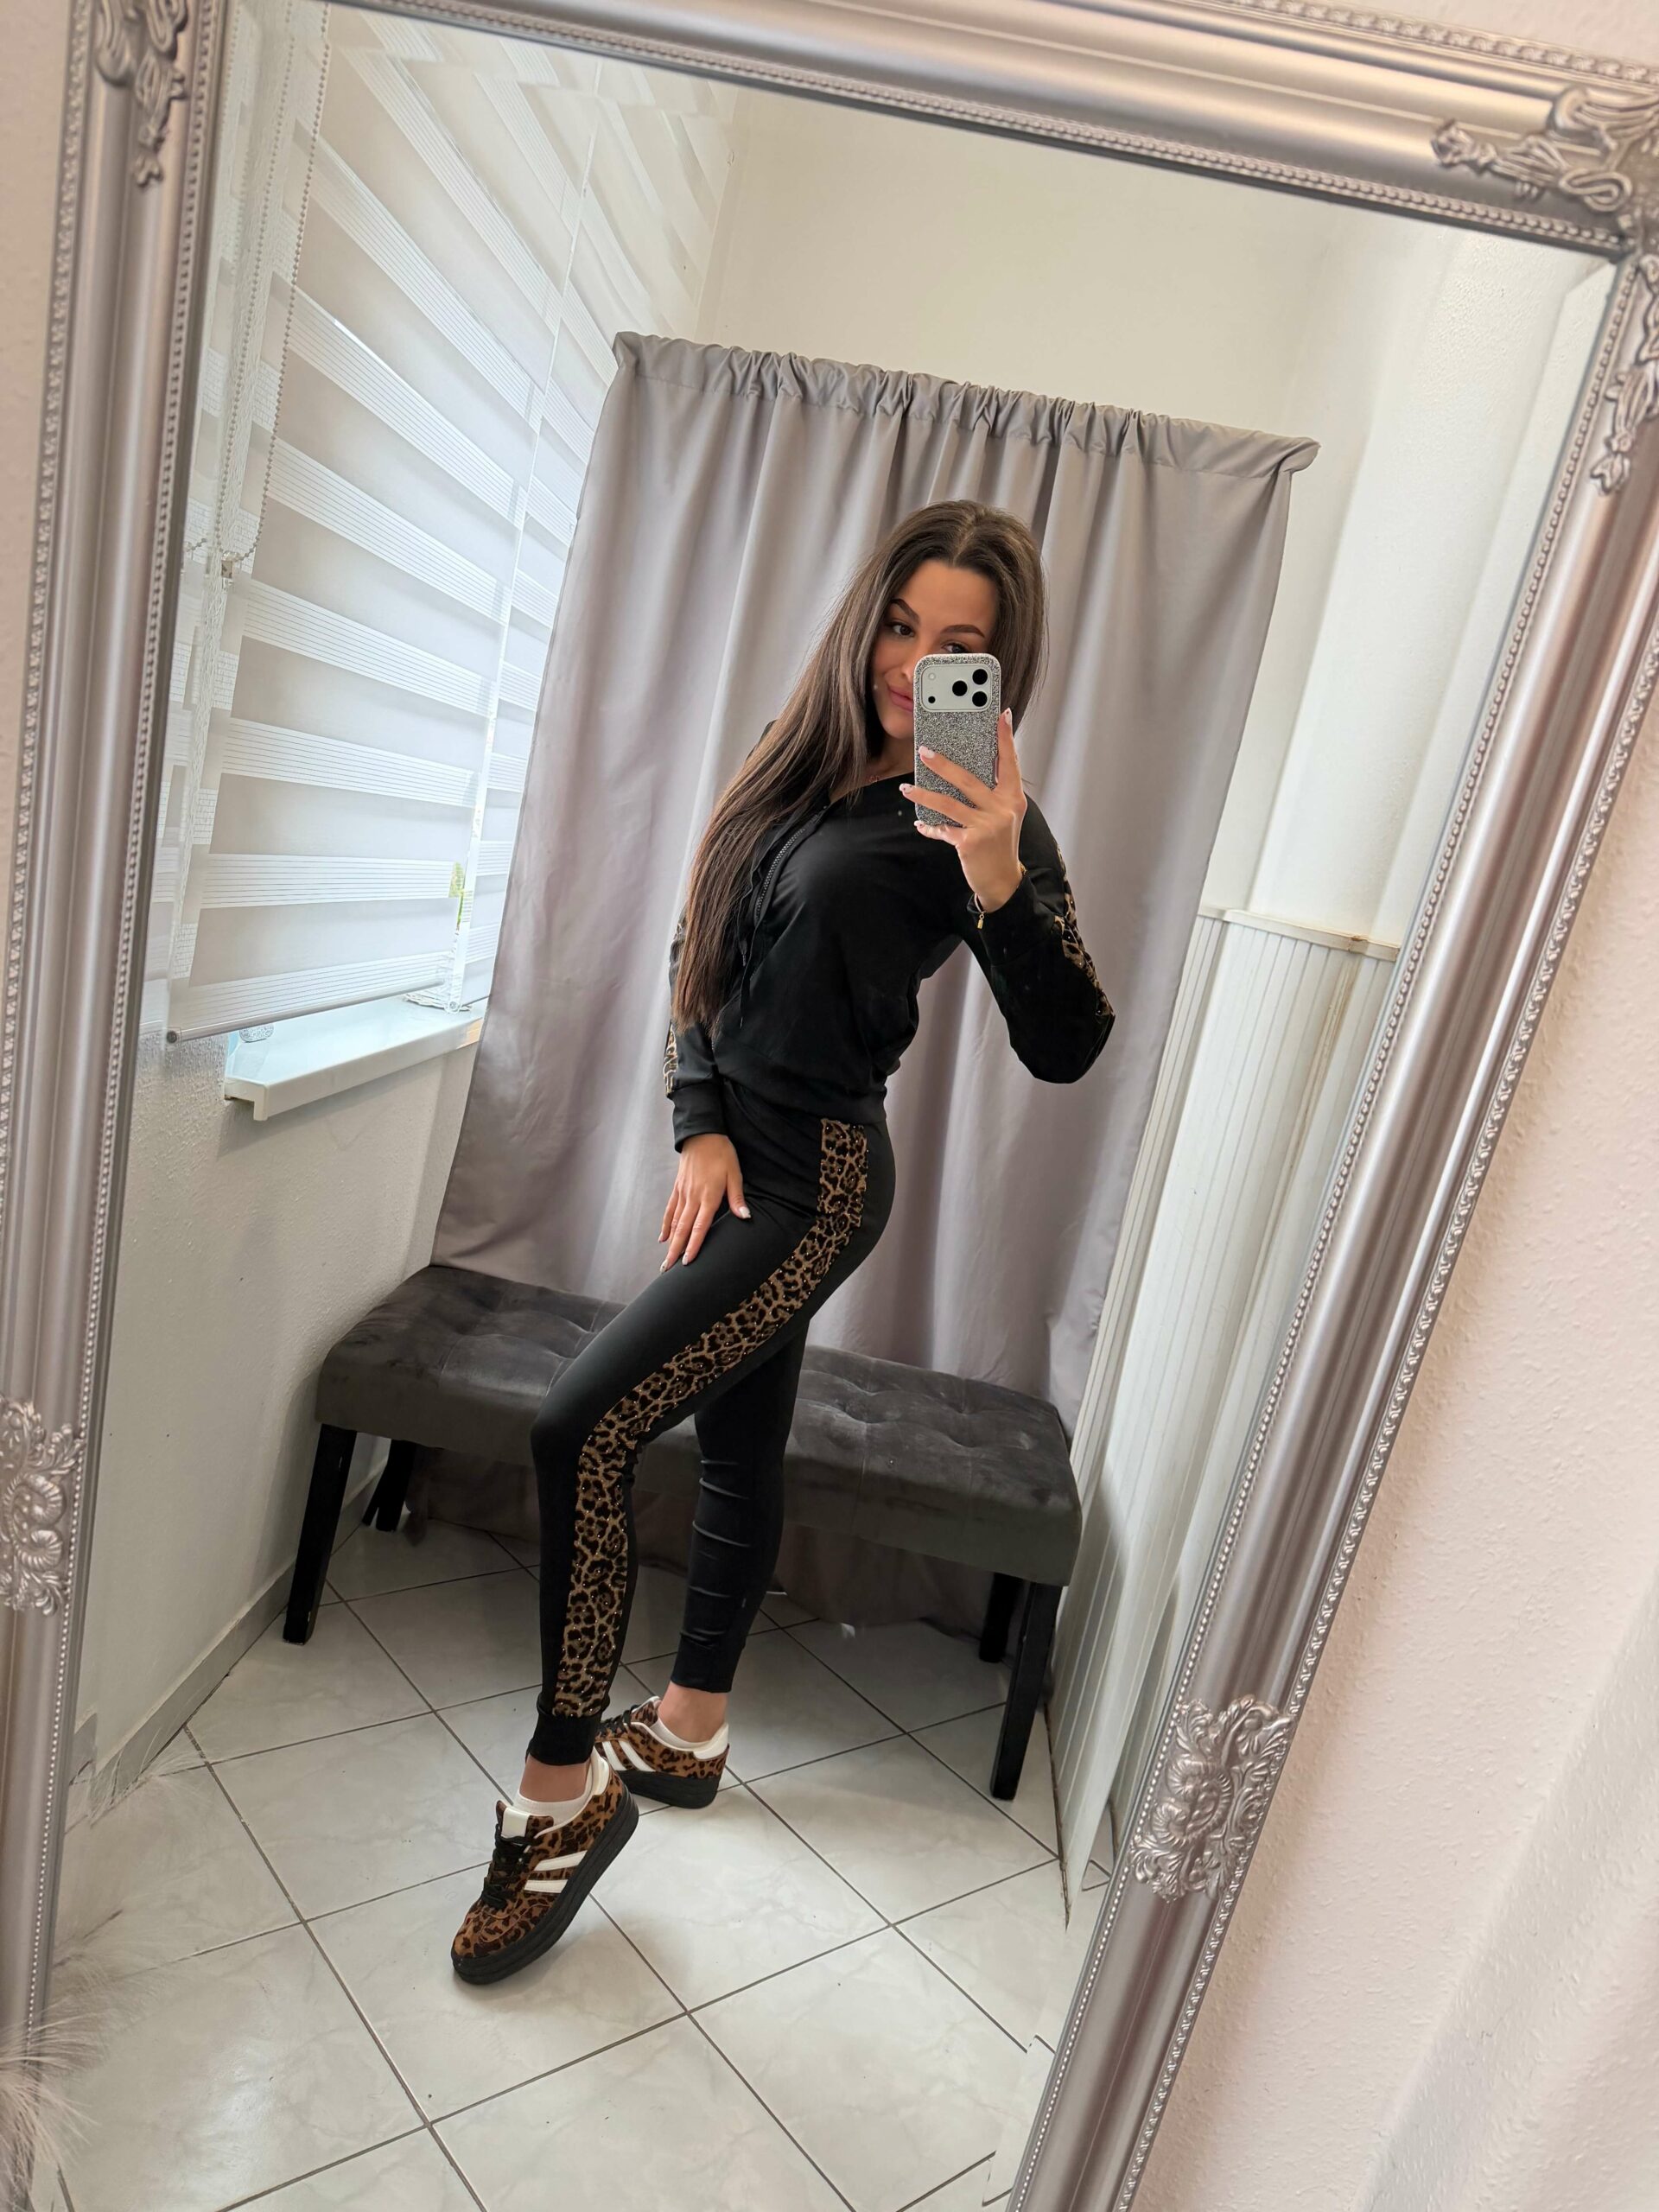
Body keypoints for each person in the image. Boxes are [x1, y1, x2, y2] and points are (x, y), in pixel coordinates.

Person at [450, 499, 1116, 1983]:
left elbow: (1070, 1042)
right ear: (863, 615)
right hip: (734, 1156)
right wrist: (695, 1121)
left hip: (818, 1181)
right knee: (739, 1449)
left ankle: (559, 1798)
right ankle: (689, 1733)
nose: (913, 664)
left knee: (580, 1428)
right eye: (900, 624)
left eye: (958, 646)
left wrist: (1000, 873)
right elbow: (697, 940)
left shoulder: (984, 819)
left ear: (1000, 672)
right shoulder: (793, 754)